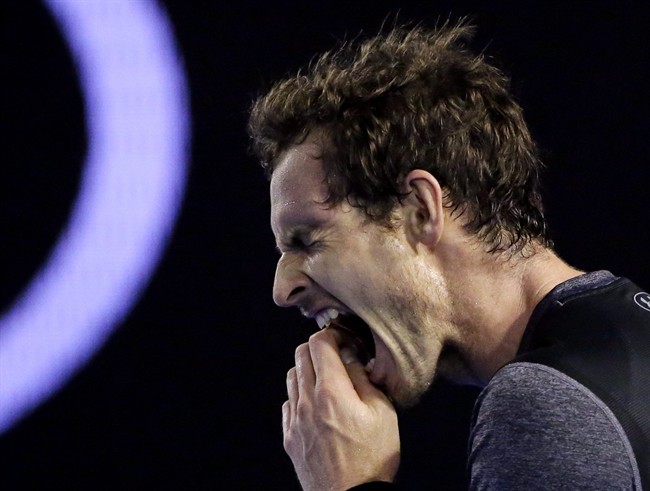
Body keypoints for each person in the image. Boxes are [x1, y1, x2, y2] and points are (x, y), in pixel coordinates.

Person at [247, 21, 649, 490]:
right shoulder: (622, 343)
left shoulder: (546, 407)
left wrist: (348, 485)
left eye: (307, 240)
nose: (282, 290)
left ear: (420, 210)